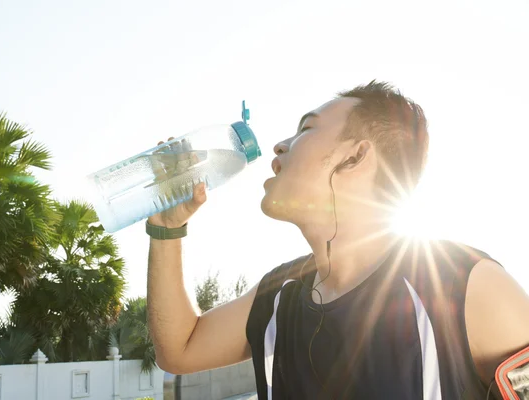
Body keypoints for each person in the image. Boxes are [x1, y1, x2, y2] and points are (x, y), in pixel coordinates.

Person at [146, 81, 529, 399]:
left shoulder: (464, 286)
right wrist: (167, 229)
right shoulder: (278, 295)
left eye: (306, 129)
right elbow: (180, 349)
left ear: (356, 156)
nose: (280, 146)